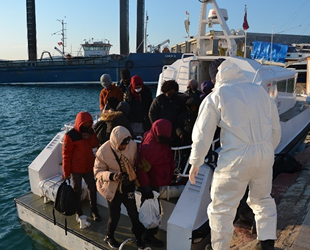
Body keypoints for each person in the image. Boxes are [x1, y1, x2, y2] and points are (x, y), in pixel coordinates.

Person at [188, 58, 281, 250]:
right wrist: (267, 150)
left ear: (216, 77)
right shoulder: (260, 91)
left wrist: (196, 161)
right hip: (264, 154)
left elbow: (202, 133)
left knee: (222, 209)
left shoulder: (217, 95)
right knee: (262, 200)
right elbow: (275, 127)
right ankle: (267, 244)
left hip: (236, 159)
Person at [94, 126, 145, 249]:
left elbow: (135, 161)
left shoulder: (132, 145)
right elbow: (97, 172)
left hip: (128, 185)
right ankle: (109, 236)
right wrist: (112, 176)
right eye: (122, 145)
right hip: (113, 189)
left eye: (126, 144)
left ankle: (139, 238)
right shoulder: (102, 152)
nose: (125, 147)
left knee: (133, 212)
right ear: (116, 142)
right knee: (114, 215)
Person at [136, 119, 175, 248]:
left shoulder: (152, 138)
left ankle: (141, 231)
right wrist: (147, 188)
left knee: (147, 209)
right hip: (152, 184)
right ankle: (148, 236)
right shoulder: (150, 148)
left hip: (154, 181)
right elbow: (141, 168)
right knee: (152, 211)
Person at [62, 111, 101, 222]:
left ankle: (94, 210)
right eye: (85, 123)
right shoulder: (70, 136)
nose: (87, 125)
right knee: (76, 191)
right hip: (76, 170)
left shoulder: (91, 132)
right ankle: (78, 212)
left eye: (89, 123)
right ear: (80, 122)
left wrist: (90, 137)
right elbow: (66, 155)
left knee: (92, 189)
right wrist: (66, 172)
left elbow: (95, 144)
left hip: (89, 167)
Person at [148, 80, 186, 144]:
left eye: (173, 91)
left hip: (175, 129)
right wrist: (157, 126)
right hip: (162, 129)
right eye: (169, 91)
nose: (171, 93)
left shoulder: (179, 100)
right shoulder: (159, 100)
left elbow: (183, 113)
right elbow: (151, 113)